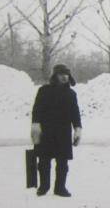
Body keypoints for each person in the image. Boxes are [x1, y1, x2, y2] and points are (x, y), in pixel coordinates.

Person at [31, 64, 82, 197]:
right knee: (43, 161)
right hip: (46, 131)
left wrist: (77, 129)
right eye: (61, 74)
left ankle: (60, 188)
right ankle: (44, 186)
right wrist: (35, 126)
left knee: (62, 162)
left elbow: (75, 113)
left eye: (66, 74)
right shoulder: (44, 90)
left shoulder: (71, 94)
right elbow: (37, 110)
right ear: (55, 76)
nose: (64, 77)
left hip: (63, 132)